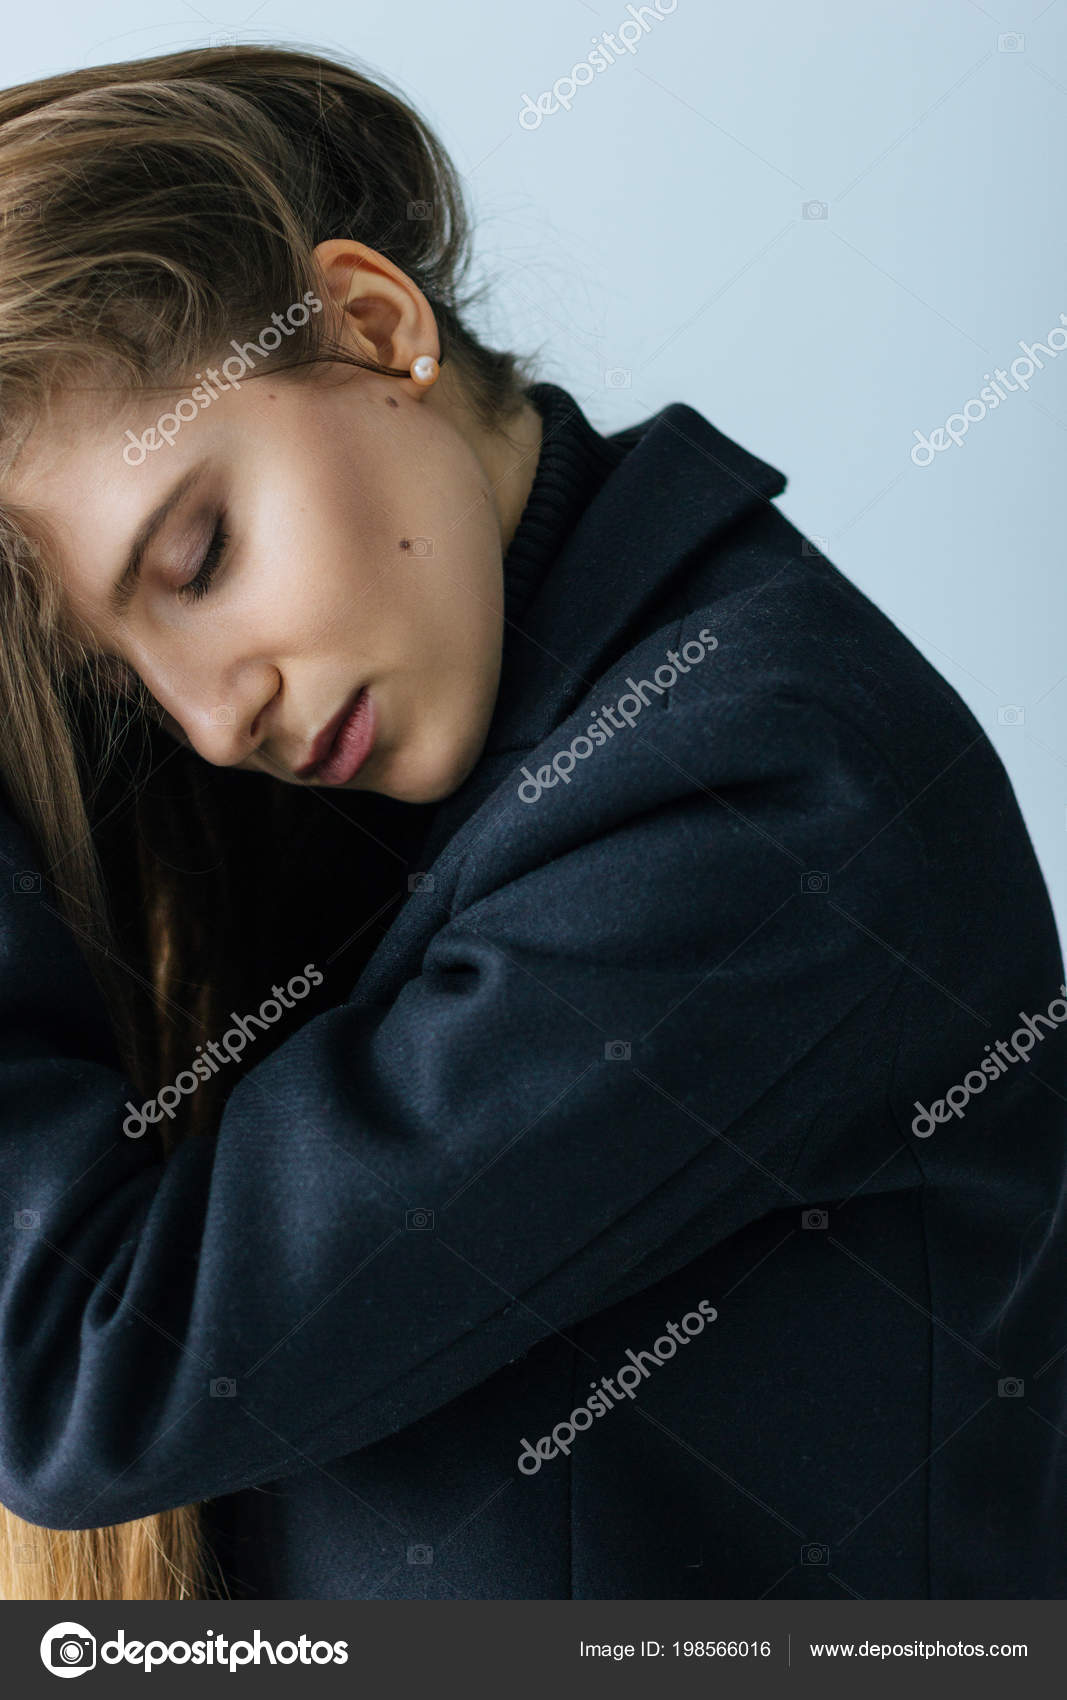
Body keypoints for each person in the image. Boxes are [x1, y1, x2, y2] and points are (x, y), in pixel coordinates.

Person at [0, 43, 1063, 1604]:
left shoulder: (762, 796)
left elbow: (87, 1365)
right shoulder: (438, 740)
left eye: (203, 554)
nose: (214, 716)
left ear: (375, 324)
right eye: (124, 673)